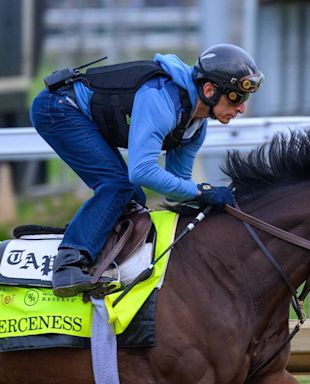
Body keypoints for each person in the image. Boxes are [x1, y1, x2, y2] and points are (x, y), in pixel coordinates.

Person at [29, 43, 264, 298]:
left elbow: (178, 186)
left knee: (134, 198)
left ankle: (102, 262)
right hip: (58, 108)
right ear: (209, 89)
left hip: (83, 115)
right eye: (235, 97)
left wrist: (207, 199)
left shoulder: (196, 126)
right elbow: (140, 171)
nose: (241, 107)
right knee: (119, 186)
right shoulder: (160, 99)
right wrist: (202, 190)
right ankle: (68, 264)